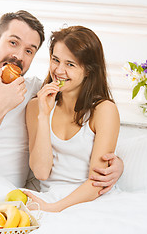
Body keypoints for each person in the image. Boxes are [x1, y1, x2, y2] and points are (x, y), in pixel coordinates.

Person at [0, 10, 123, 191]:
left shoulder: (38, 91)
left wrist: (118, 165)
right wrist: (1, 105)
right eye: (13, 43)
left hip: (13, 197)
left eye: (28, 51)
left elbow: (81, 98)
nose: (18, 56)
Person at [24, 25, 120, 212]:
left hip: (90, 201)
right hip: (49, 197)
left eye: (70, 64)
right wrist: (44, 115)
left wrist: (54, 208)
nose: (59, 71)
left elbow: (97, 182)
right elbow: (41, 172)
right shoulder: (36, 106)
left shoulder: (104, 110)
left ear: (89, 70)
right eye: (55, 60)